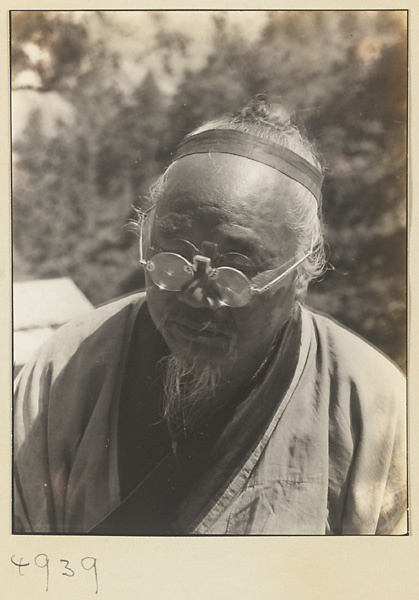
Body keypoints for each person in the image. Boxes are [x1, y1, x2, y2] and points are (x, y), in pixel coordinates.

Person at [13, 97, 407, 535]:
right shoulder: (65, 367)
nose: (197, 296)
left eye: (236, 269)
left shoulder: (370, 401)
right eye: (174, 256)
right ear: (146, 233)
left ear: (302, 273)